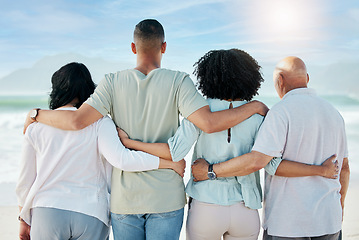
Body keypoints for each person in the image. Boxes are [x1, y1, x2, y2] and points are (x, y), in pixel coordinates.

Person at [23, 20, 269, 239]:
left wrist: (35, 115)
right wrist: (255, 106)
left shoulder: (112, 82)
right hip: (166, 196)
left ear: (133, 47)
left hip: (125, 199)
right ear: (164, 47)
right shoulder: (179, 81)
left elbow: (77, 122)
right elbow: (209, 123)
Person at [117, 50, 339, 240]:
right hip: (246, 209)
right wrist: (320, 170)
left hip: (206, 206)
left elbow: (175, 151)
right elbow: (272, 165)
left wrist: (130, 142)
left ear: (208, 77)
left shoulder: (200, 111)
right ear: (250, 77)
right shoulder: (260, 115)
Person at [16, 62, 185, 240]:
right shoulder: (101, 123)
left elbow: (24, 181)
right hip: (91, 212)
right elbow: (122, 160)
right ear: (89, 90)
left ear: (56, 90)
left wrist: (23, 219)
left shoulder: (36, 127)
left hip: (47, 210)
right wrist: (166, 163)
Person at [191, 56, 350, 240]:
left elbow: (258, 161)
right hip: (329, 220)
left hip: (288, 223)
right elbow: (344, 168)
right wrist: (340, 205)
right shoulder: (335, 114)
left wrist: (210, 171)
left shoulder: (281, 112)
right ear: (307, 79)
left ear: (279, 80)